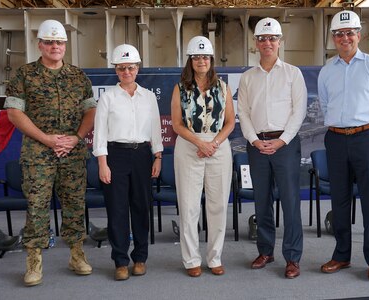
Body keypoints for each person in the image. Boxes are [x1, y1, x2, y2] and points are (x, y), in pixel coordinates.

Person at [4, 19, 96, 286]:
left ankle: (77, 255)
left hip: (72, 152)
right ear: (40, 45)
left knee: (75, 204)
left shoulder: (78, 76)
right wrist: (47, 139)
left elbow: (91, 110)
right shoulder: (24, 75)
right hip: (37, 153)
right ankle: (34, 261)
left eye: (60, 42)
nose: (55, 46)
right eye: (50, 42)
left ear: (65, 45)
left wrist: (76, 137)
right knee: (36, 207)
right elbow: (13, 113)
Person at [318, 10, 369, 281]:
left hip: (366, 138)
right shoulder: (327, 71)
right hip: (336, 139)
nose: (344, 38)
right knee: (339, 201)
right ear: (333, 39)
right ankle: (341, 255)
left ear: (359, 35)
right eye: (339, 34)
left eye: (350, 33)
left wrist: (368, 130)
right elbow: (326, 105)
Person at [237, 17, 307, 279]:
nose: (267, 42)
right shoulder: (247, 78)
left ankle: (292, 257)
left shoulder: (293, 73)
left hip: (285, 144)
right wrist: (254, 140)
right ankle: (265, 250)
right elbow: (243, 113)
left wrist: (281, 140)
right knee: (262, 200)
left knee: (290, 202)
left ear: (280, 42)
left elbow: (298, 112)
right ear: (255, 43)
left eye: (272, 38)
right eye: (262, 38)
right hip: (256, 145)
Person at [93, 44, 163, 281]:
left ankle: (140, 258)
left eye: (131, 67)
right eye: (121, 68)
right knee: (117, 210)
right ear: (116, 70)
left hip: (143, 155)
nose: (126, 72)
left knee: (142, 208)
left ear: (138, 68)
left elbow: (156, 129)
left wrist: (158, 156)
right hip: (115, 156)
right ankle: (121, 261)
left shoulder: (149, 97)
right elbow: (100, 133)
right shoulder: (107, 98)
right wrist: (103, 163)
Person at [171, 36, 235, 277]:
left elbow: (230, 122)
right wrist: (199, 142)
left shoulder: (223, 87)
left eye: (205, 57)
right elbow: (176, 124)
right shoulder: (180, 88)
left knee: (217, 205)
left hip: (218, 147)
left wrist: (213, 143)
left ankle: (215, 257)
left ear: (211, 60)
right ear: (190, 60)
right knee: (189, 207)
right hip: (189, 146)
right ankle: (191, 260)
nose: (201, 61)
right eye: (196, 57)